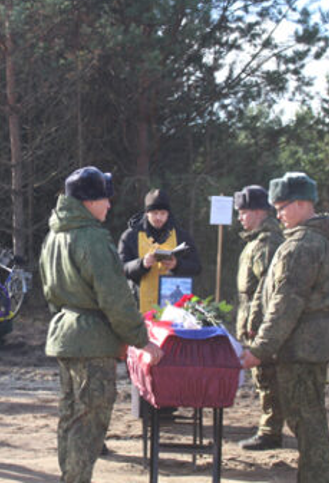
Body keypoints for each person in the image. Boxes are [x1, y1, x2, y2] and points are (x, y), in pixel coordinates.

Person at [41, 166, 164, 483]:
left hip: (65, 335)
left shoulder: (54, 235)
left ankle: (69, 476)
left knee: (70, 416)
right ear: (87, 201)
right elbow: (115, 297)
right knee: (90, 421)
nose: (109, 204)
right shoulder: (93, 239)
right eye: (104, 198)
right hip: (93, 341)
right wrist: (141, 339)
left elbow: (49, 291)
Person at [238, 172, 329, 483]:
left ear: (301, 204)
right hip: (304, 344)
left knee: (307, 422)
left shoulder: (302, 246)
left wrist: (261, 348)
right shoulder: (304, 240)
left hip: (301, 348)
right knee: (308, 420)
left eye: (282, 207)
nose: (278, 213)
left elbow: (285, 303)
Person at [231, 185, 286, 451]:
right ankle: (269, 425)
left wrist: (255, 326)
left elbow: (265, 289)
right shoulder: (255, 240)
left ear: (259, 212)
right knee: (262, 377)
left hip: (261, 323)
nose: (240, 218)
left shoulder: (267, 243)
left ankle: (270, 430)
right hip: (253, 319)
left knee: (267, 377)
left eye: (243, 212)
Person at [117, 188, 202, 313]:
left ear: (168, 214)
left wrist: (177, 265)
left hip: (173, 311)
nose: (159, 218)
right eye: (154, 213)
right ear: (147, 213)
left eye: (163, 213)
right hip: (138, 308)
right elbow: (120, 269)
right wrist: (142, 264)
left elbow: (196, 267)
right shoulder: (130, 236)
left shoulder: (182, 236)